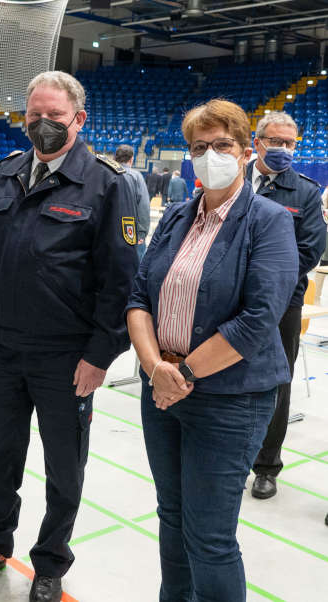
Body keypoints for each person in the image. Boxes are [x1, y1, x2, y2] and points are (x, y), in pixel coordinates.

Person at [0, 71, 138, 602]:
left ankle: (51, 562)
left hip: (67, 356)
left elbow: (120, 280)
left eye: (55, 116)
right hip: (3, 348)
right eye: (34, 115)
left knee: (63, 468)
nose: (43, 124)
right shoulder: (6, 174)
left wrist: (101, 354)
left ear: (78, 119)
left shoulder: (106, 184)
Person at [126, 98, 298, 602]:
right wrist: (155, 367)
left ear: (247, 151)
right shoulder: (178, 216)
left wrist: (180, 375)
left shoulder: (268, 220)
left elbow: (259, 319)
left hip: (229, 399)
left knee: (209, 536)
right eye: (200, 147)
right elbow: (139, 296)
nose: (211, 154)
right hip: (162, 391)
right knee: (172, 519)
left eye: (223, 145)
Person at [247, 111, 327, 500]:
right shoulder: (233, 179)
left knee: (277, 384)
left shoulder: (306, 192)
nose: (282, 149)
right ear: (257, 140)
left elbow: (308, 252)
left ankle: (266, 466)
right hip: (226, 301)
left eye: (289, 143)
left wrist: (253, 279)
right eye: (274, 141)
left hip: (281, 305)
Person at [114, 144, 150, 258]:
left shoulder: (104, 173)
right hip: (130, 232)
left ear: (115, 157)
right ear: (132, 159)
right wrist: (141, 233)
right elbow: (143, 207)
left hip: (108, 232)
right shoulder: (136, 176)